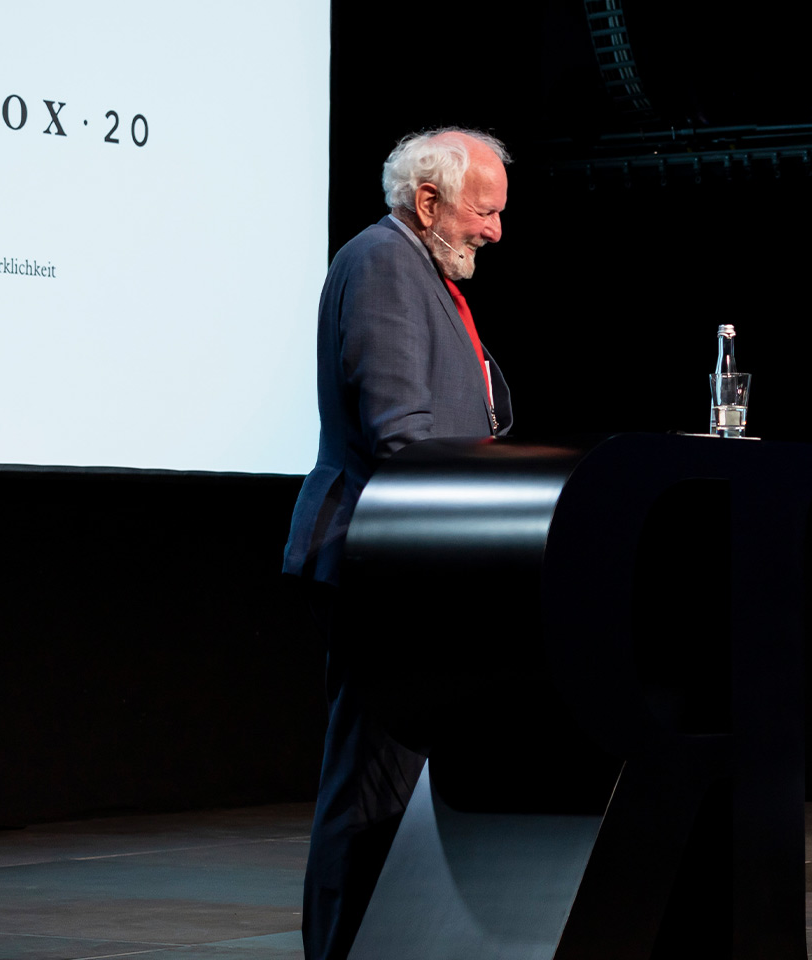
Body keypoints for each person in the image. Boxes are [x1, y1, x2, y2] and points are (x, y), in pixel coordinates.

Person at [279, 126, 513, 960]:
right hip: (380, 558)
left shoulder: (423, 268)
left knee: (399, 789)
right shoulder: (383, 263)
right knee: (369, 789)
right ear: (428, 200)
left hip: (417, 561)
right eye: (484, 211)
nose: (495, 231)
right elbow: (401, 435)